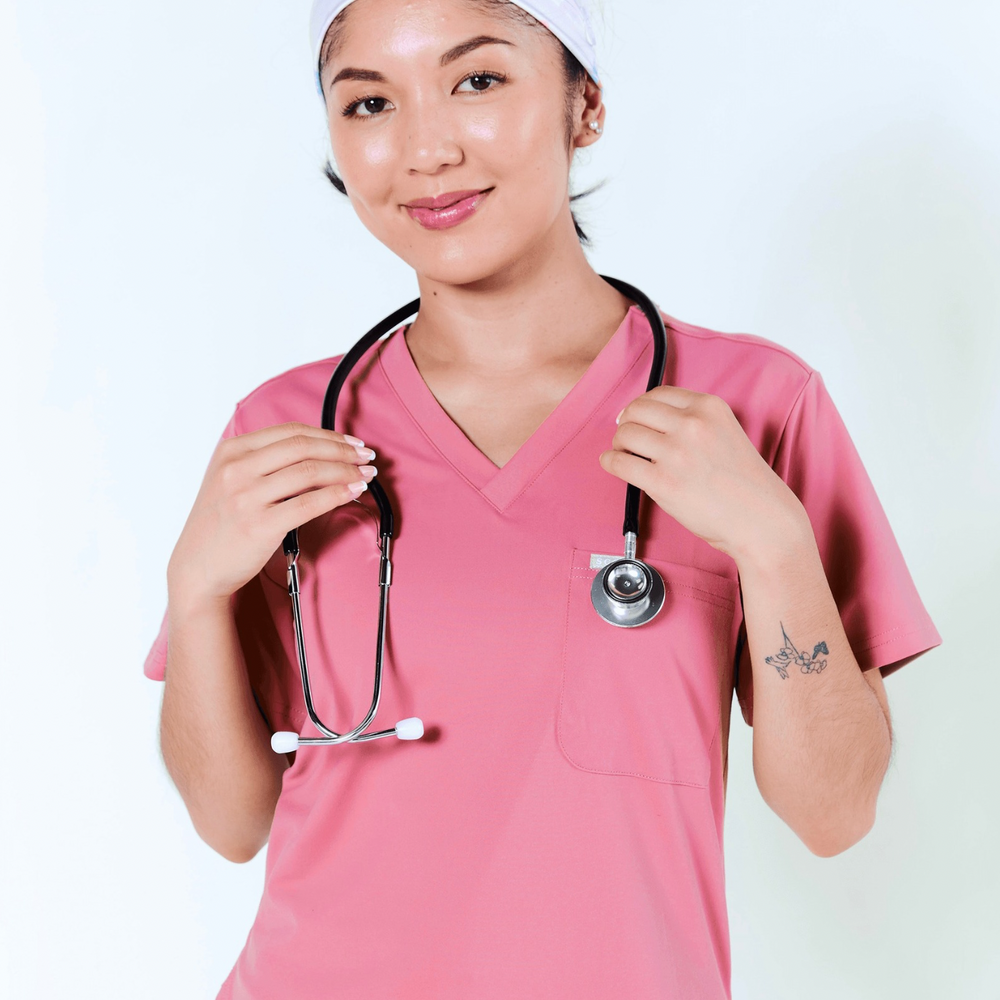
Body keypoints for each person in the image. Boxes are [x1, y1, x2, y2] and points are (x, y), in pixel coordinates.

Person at [143, 1, 943, 996]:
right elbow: (230, 822)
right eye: (368, 103)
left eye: (476, 80)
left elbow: (837, 812)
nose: (425, 148)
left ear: (585, 106)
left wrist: (776, 546)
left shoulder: (750, 409)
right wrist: (194, 591)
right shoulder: (290, 428)